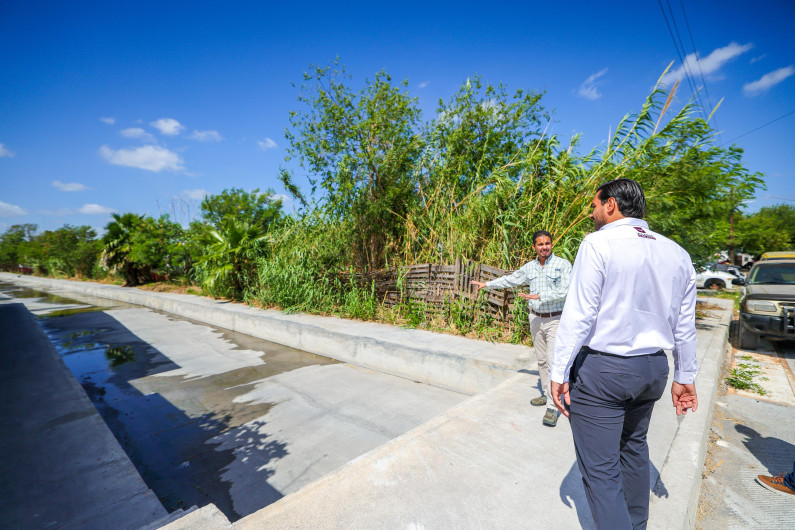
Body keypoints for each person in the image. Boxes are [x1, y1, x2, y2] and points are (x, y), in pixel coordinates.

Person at [549, 178, 699, 529]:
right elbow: (684, 325)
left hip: (604, 371)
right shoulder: (676, 252)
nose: (593, 212)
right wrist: (685, 377)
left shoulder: (599, 244)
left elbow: (580, 314)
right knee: (633, 449)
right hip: (653, 370)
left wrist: (559, 371)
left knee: (600, 471)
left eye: (595, 205)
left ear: (611, 204)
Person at [470, 230, 572, 427]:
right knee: (541, 361)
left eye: (548, 243)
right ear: (534, 247)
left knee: (553, 362)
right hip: (536, 319)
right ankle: (547, 393)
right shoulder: (530, 267)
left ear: (551, 244)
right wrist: (486, 284)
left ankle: (553, 406)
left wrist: (539, 295)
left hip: (555, 320)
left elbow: (565, 290)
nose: (544, 247)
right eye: (540, 244)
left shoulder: (562, 265)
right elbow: (511, 279)